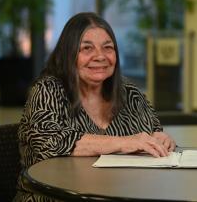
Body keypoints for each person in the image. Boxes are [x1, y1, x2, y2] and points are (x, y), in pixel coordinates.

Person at [15, 12, 176, 201]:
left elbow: (151, 136)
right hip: (55, 196)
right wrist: (127, 142)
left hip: (118, 193)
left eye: (108, 48)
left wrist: (161, 140)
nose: (100, 56)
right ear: (68, 53)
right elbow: (50, 144)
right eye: (87, 48)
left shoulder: (130, 93)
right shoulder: (47, 90)